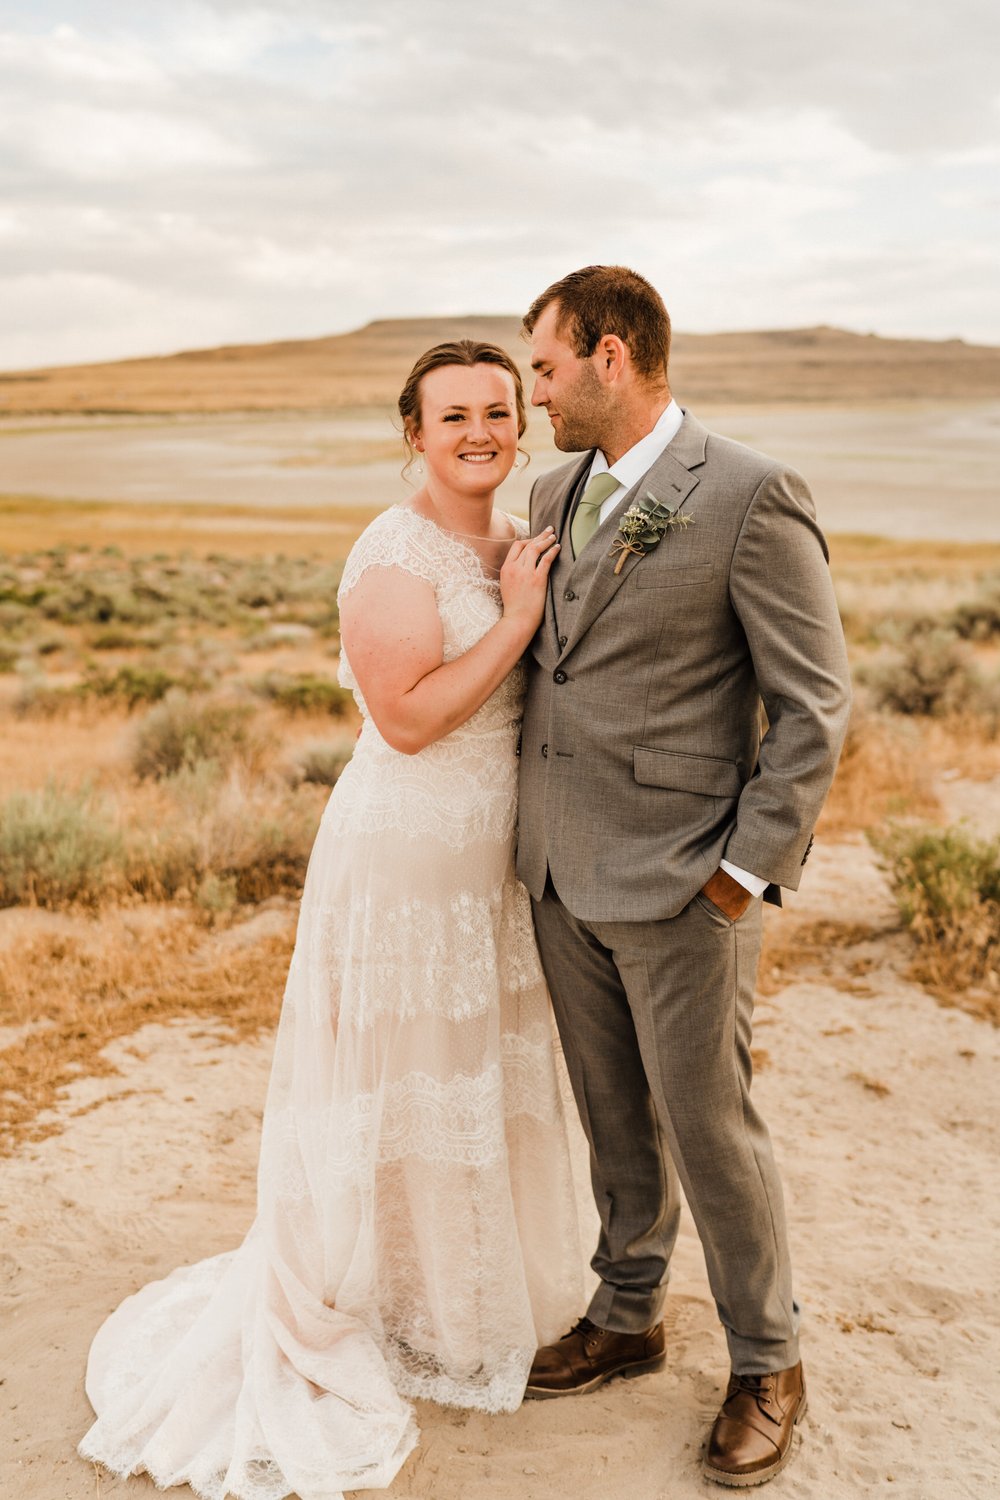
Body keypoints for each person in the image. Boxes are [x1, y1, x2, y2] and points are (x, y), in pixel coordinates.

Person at [79, 340, 583, 1500]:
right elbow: (404, 720)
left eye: (498, 410)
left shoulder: (512, 542)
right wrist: (512, 624)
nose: (479, 431)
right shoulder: (393, 552)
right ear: (412, 432)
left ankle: (459, 1306)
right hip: (403, 859)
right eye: (452, 413)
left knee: (463, 1074)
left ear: (520, 422)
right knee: (398, 1076)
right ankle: (368, 1299)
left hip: (483, 866)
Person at [516, 266, 851, 1487]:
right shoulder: (556, 488)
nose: (532, 395)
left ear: (611, 356)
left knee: (711, 1129)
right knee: (612, 1122)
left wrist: (745, 876)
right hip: (559, 871)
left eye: (545, 368)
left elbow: (812, 708)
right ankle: (627, 1317)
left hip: (682, 883)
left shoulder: (750, 494)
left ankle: (769, 1360)